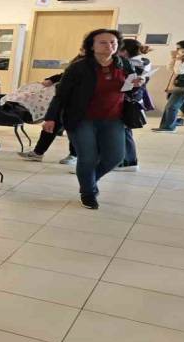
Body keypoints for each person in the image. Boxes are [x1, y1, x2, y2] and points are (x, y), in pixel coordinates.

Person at [43, 29, 143, 209]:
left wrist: (137, 86)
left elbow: (131, 92)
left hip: (114, 118)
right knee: (87, 158)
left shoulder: (125, 64)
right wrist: (51, 118)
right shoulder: (78, 67)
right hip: (81, 119)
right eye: (103, 42)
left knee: (115, 157)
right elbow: (61, 95)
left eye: (113, 42)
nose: (109, 46)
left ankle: (89, 181)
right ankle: (88, 193)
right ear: (91, 46)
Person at [16, 72, 77, 163]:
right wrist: (52, 79)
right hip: (64, 99)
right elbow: (67, 73)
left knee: (74, 129)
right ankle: (38, 153)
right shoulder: (76, 68)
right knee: (50, 126)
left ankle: (74, 155)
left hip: (79, 104)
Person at [115, 38, 153, 171]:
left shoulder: (129, 63)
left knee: (123, 131)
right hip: (134, 99)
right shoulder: (144, 61)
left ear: (124, 51)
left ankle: (128, 161)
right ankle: (127, 160)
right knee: (124, 130)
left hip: (126, 100)